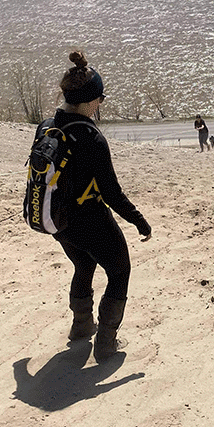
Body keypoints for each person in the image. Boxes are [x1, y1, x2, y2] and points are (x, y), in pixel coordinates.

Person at [47, 51, 152, 362]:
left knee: (84, 265)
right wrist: (139, 221)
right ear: (90, 101)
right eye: (99, 99)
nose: (101, 104)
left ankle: (81, 327)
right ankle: (106, 343)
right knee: (119, 272)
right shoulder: (91, 137)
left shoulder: (48, 126)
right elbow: (112, 193)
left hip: (58, 222)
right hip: (90, 220)